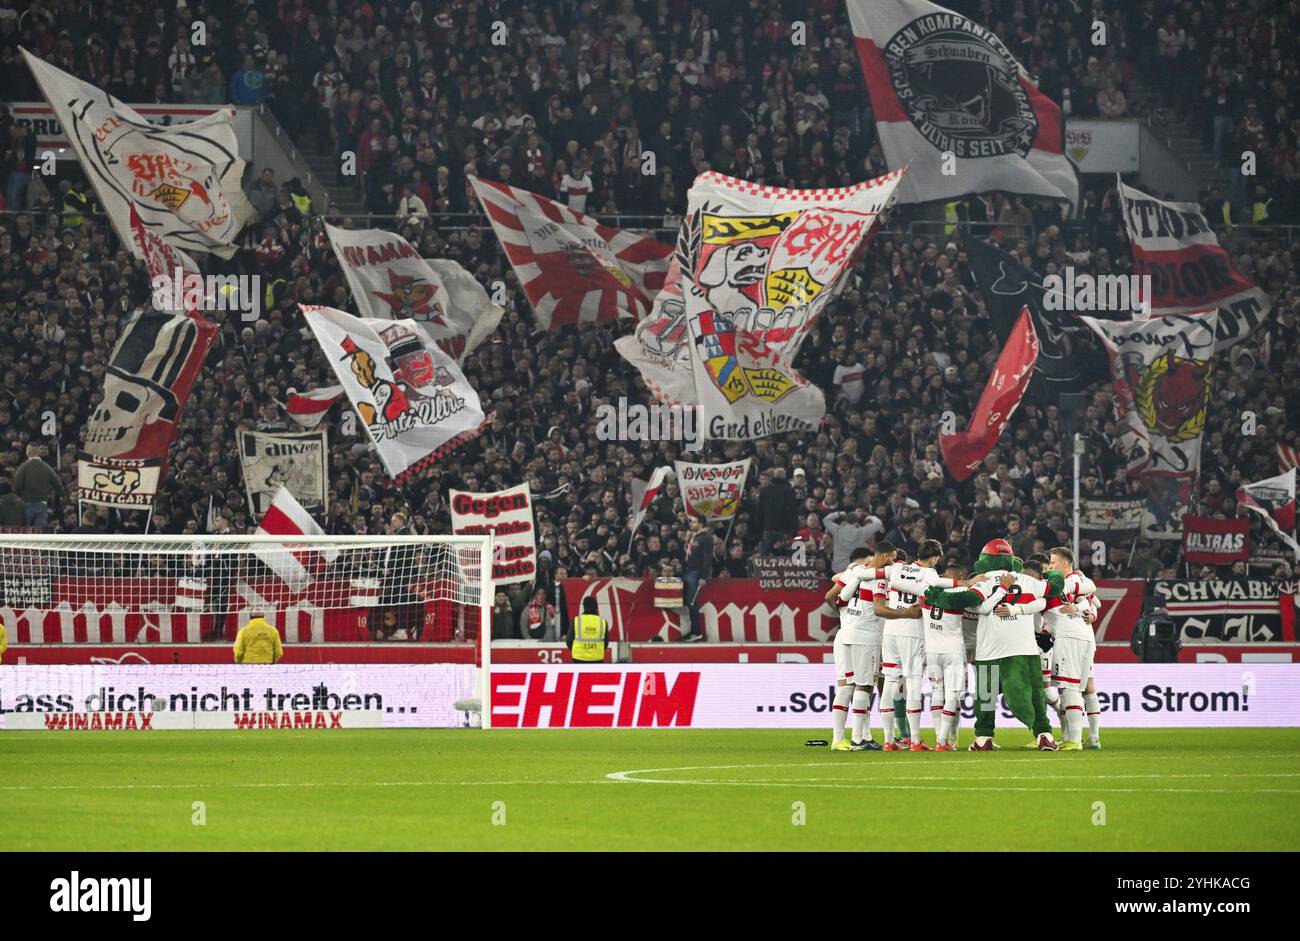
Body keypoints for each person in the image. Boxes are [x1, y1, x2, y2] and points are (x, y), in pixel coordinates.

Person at [877, 538, 960, 750]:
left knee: (890, 682)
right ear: (935, 557)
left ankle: (888, 740)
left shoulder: (897, 569)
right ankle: (915, 741)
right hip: (913, 631)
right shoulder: (929, 574)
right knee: (913, 682)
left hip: (890, 631)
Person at [13, 444, 64, 531]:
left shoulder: (23, 467)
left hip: (26, 503)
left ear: (28, 452)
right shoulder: (47, 467)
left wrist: (19, 495)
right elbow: (58, 485)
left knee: (26, 532)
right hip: (42, 504)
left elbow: (17, 485)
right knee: (40, 533)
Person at [681, 514, 713, 642]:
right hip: (689, 570)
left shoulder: (706, 538)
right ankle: (693, 630)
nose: (691, 524)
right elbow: (688, 552)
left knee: (692, 601)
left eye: (694, 522)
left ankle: (696, 631)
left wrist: (703, 576)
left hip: (696, 572)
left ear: (701, 523)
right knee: (689, 601)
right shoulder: (695, 536)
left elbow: (707, 558)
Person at [755, 467, 798, 555]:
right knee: (785, 557)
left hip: (768, 528)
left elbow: (759, 512)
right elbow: (793, 512)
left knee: (765, 558)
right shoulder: (789, 491)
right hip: (785, 529)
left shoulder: (764, 490)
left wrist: (759, 530)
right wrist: (794, 530)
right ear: (784, 477)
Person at [566, 596, 608, 663]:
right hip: (597, 658)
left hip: (578, 658)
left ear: (584, 607)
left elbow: (569, 641)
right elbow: (606, 643)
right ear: (596, 607)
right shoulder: (602, 622)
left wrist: (578, 651)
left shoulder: (577, 620)